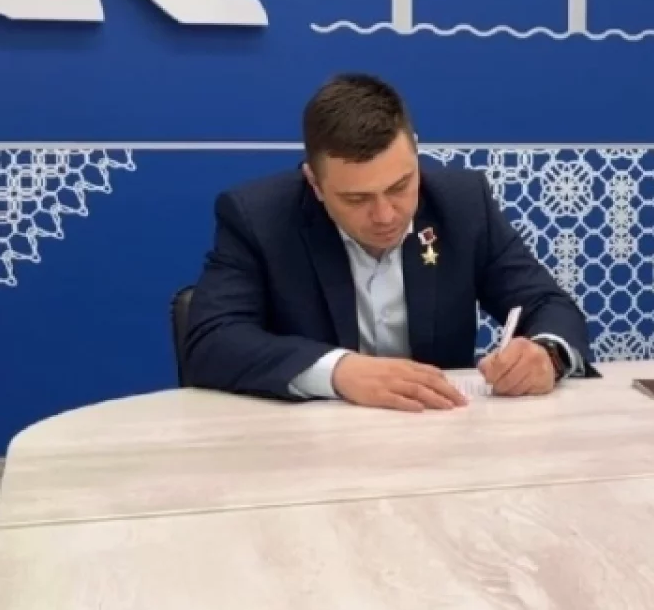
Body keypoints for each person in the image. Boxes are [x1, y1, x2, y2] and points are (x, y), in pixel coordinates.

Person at [183, 73, 593, 410]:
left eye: (400, 186)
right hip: (310, 447)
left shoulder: (463, 205)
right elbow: (211, 340)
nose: (385, 215)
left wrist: (547, 355)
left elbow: (548, 304)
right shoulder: (258, 218)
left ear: (416, 152)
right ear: (314, 183)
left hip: (441, 435)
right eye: (356, 199)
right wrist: (339, 371)